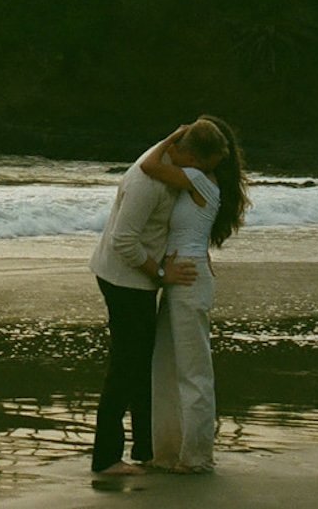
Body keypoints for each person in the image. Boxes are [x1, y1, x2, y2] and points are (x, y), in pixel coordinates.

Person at [138, 116, 249, 474]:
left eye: (183, 149)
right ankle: (169, 451)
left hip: (188, 276)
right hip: (180, 276)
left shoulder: (200, 179)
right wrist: (181, 140)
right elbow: (165, 158)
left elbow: (150, 164)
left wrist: (174, 133)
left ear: (194, 155)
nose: (176, 152)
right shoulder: (198, 176)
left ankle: (197, 456)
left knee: (193, 371)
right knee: (167, 366)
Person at [88, 129, 201, 475]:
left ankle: (145, 447)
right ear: (185, 155)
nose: (196, 175)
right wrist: (161, 273)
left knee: (141, 364)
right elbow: (124, 240)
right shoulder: (147, 180)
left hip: (137, 280)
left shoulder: (166, 163)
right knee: (126, 366)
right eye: (197, 166)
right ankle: (106, 458)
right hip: (123, 279)